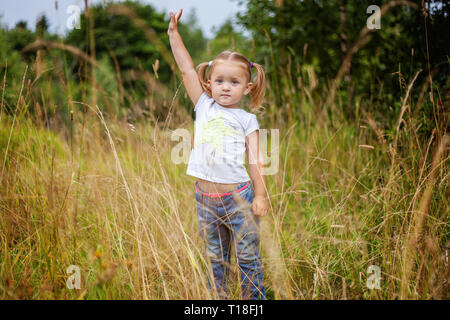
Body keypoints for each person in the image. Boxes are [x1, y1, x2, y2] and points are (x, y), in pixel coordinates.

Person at [168, 9, 269, 300]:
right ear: (209, 83)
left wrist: (260, 196)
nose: (225, 87)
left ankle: (254, 301)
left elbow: (256, 160)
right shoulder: (203, 105)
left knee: (247, 258)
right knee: (216, 259)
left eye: (234, 82)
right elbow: (187, 69)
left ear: (247, 88)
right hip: (206, 200)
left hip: (238, 199)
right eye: (219, 81)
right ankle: (218, 300)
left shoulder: (247, 120)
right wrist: (174, 34)